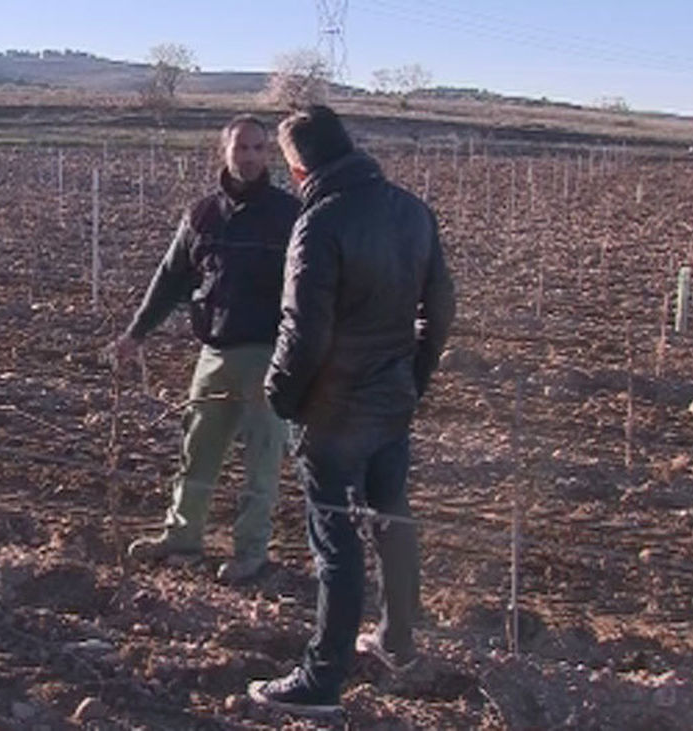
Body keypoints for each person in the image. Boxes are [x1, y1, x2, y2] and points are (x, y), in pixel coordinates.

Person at [247, 105, 456, 715]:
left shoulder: (319, 223)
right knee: (393, 518)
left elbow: (303, 330)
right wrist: (412, 379)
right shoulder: (413, 211)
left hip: (332, 412)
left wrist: (282, 398)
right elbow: (438, 310)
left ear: (297, 165)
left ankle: (322, 678)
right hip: (392, 400)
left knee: (335, 543)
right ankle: (398, 639)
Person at [111, 115, 301, 584]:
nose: (250, 156)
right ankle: (182, 538)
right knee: (198, 449)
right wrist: (136, 334)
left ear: (268, 154)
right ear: (225, 151)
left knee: (261, 456)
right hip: (213, 353)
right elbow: (170, 278)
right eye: (242, 148)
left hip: (268, 354)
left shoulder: (289, 215)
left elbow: (313, 289)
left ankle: (251, 551)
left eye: (258, 148)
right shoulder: (201, 215)